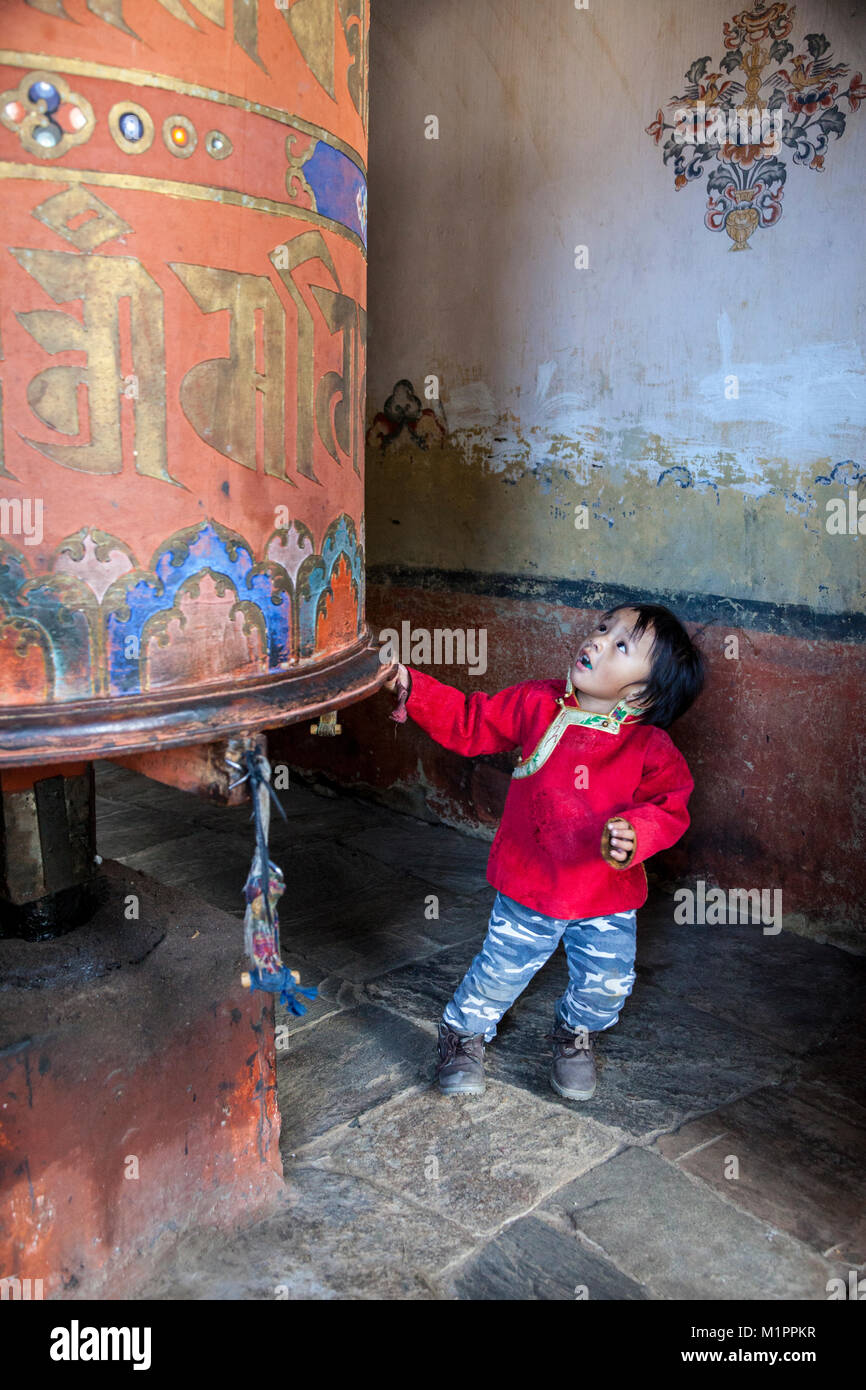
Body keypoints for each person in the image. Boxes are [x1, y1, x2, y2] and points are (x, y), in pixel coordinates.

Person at [383, 603, 705, 1100]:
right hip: (531, 883)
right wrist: (414, 687)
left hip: (606, 895)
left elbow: (670, 806)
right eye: (602, 628)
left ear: (641, 693)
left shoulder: (650, 747)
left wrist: (637, 833)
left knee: (608, 985)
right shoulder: (537, 703)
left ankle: (574, 1034)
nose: (597, 640)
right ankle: (463, 1034)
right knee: (500, 972)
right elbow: (471, 723)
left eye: (621, 644)